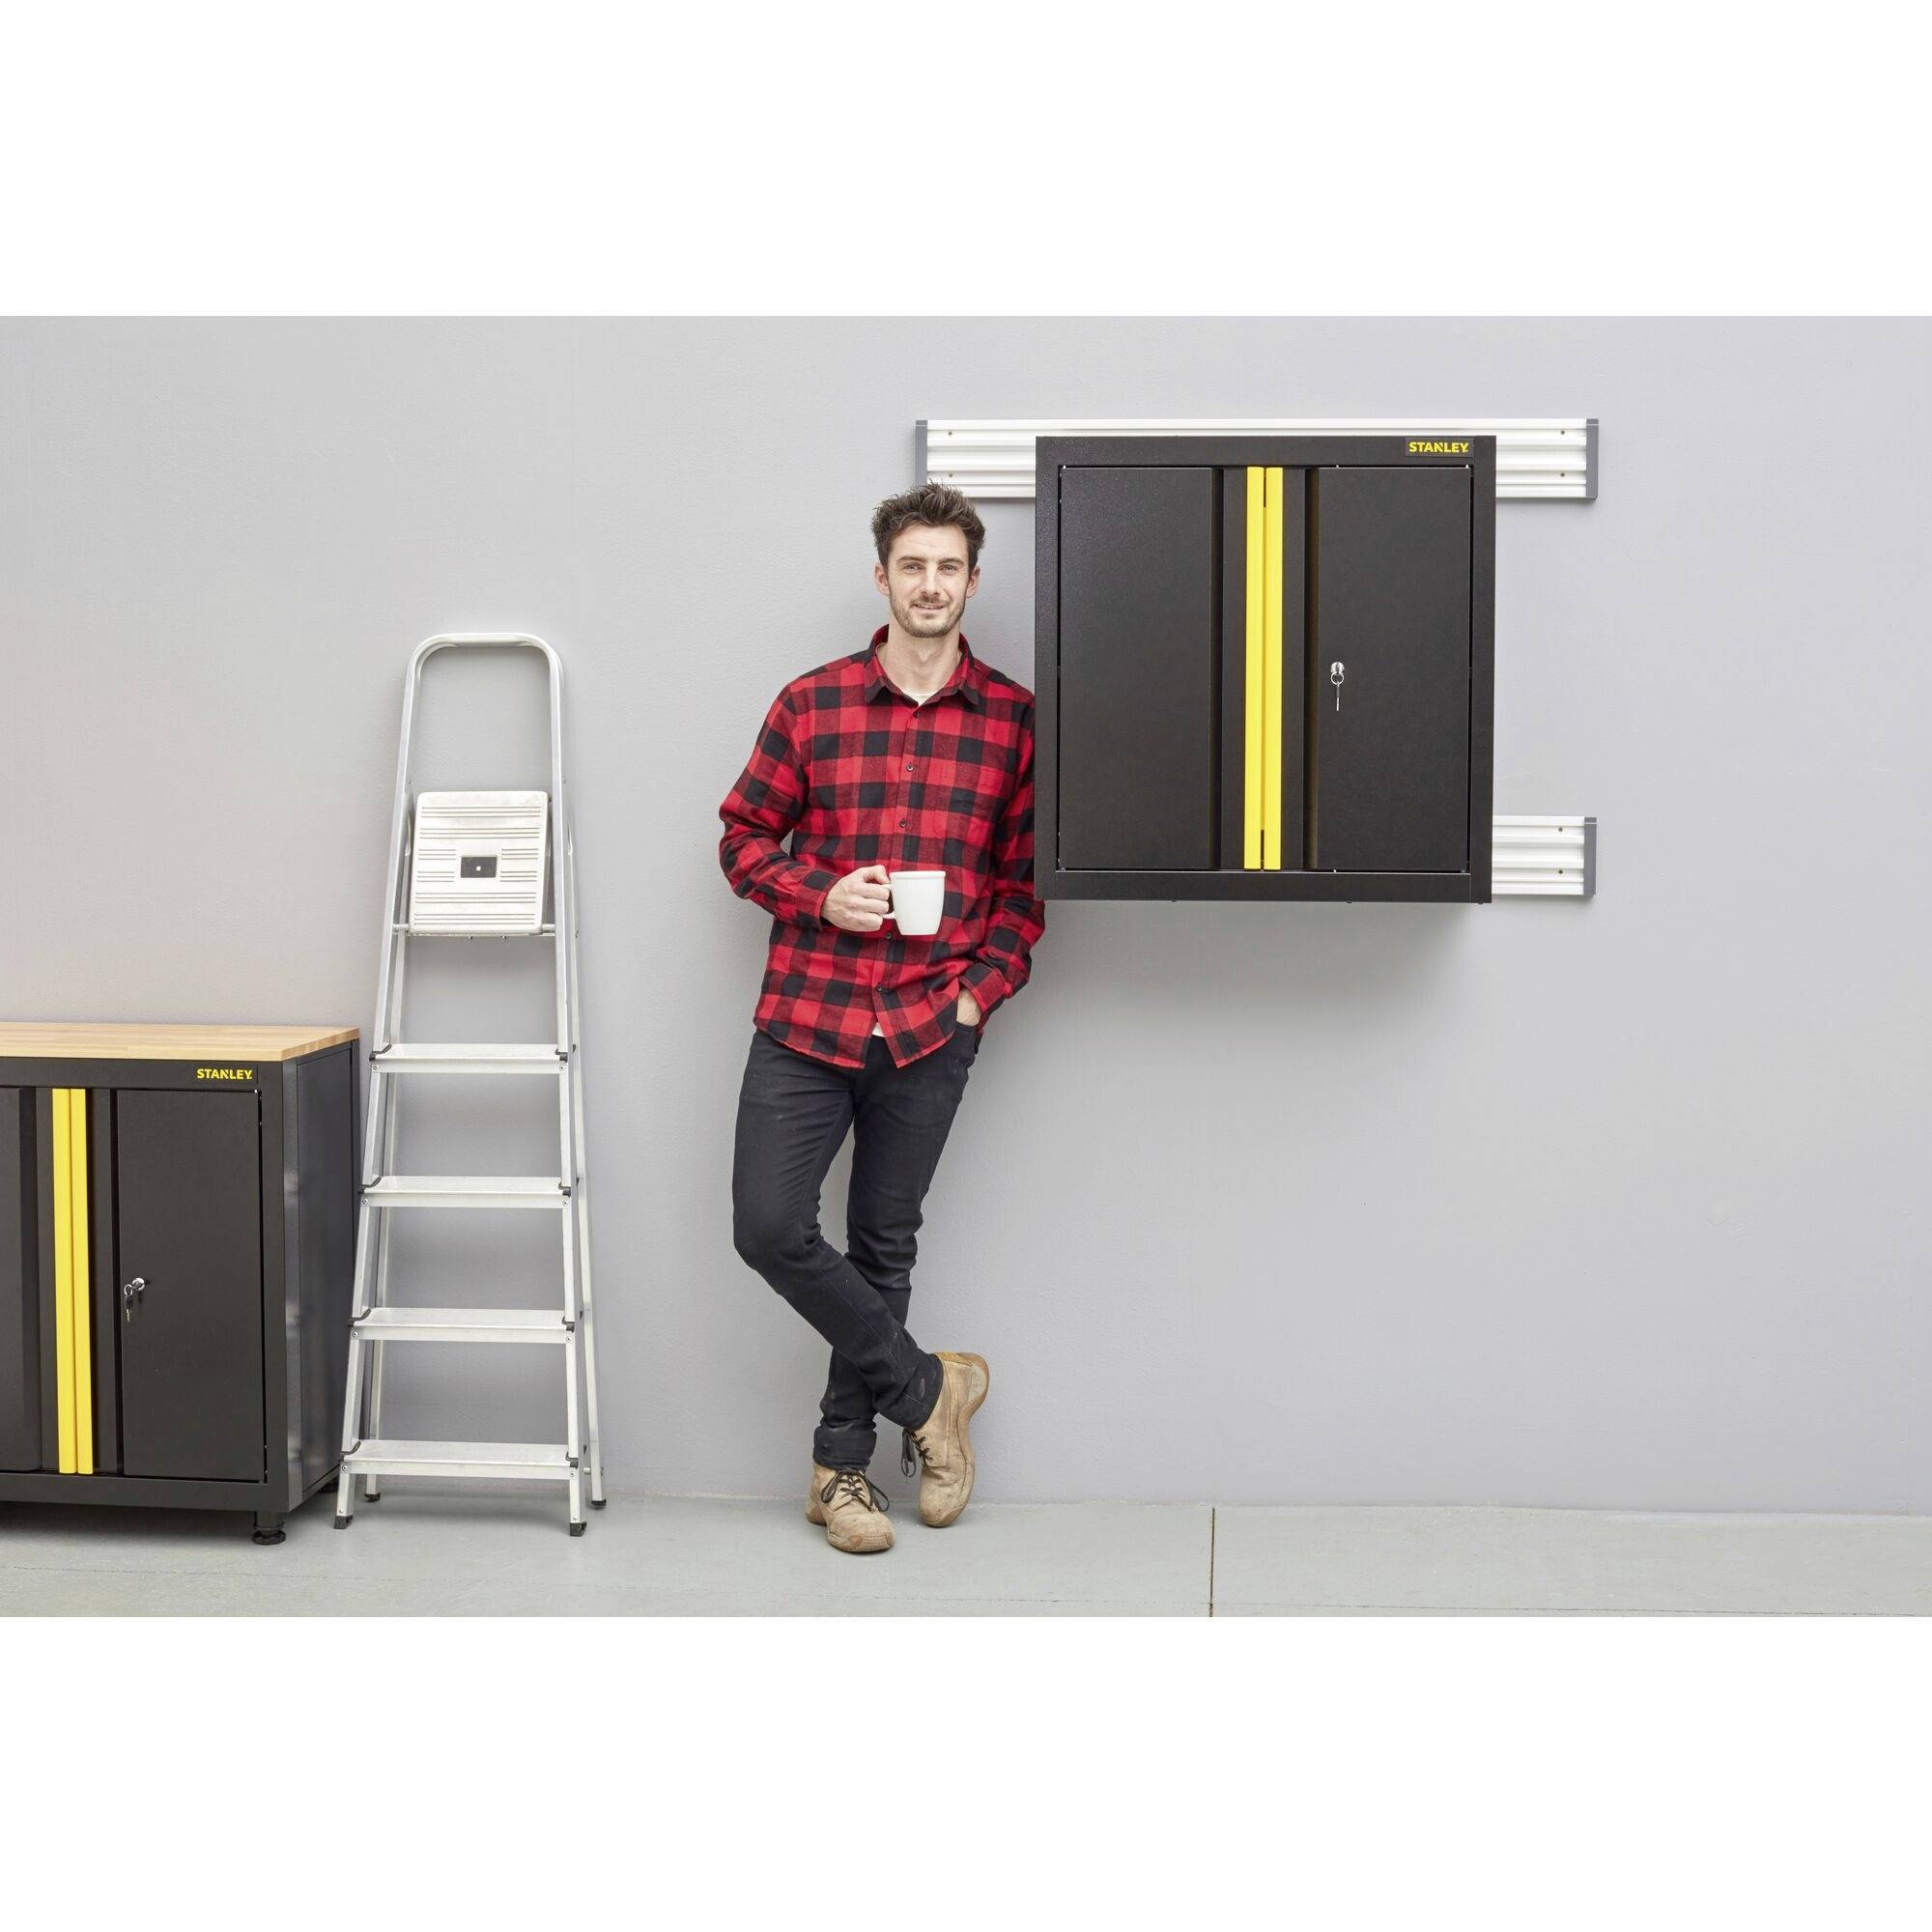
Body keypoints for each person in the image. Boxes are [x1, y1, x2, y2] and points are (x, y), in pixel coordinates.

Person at [719, 482, 1046, 1554]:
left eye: (948, 567)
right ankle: (930, 1390)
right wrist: (819, 891)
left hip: (927, 1025)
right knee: (768, 1226)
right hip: (807, 1011)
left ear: (971, 582)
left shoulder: (1011, 719)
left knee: (879, 1245)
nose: (929, 584)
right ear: (882, 576)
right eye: (911, 565)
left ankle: (841, 1471)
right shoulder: (811, 703)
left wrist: (973, 994)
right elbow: (739, 838)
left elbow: (1021, 889)